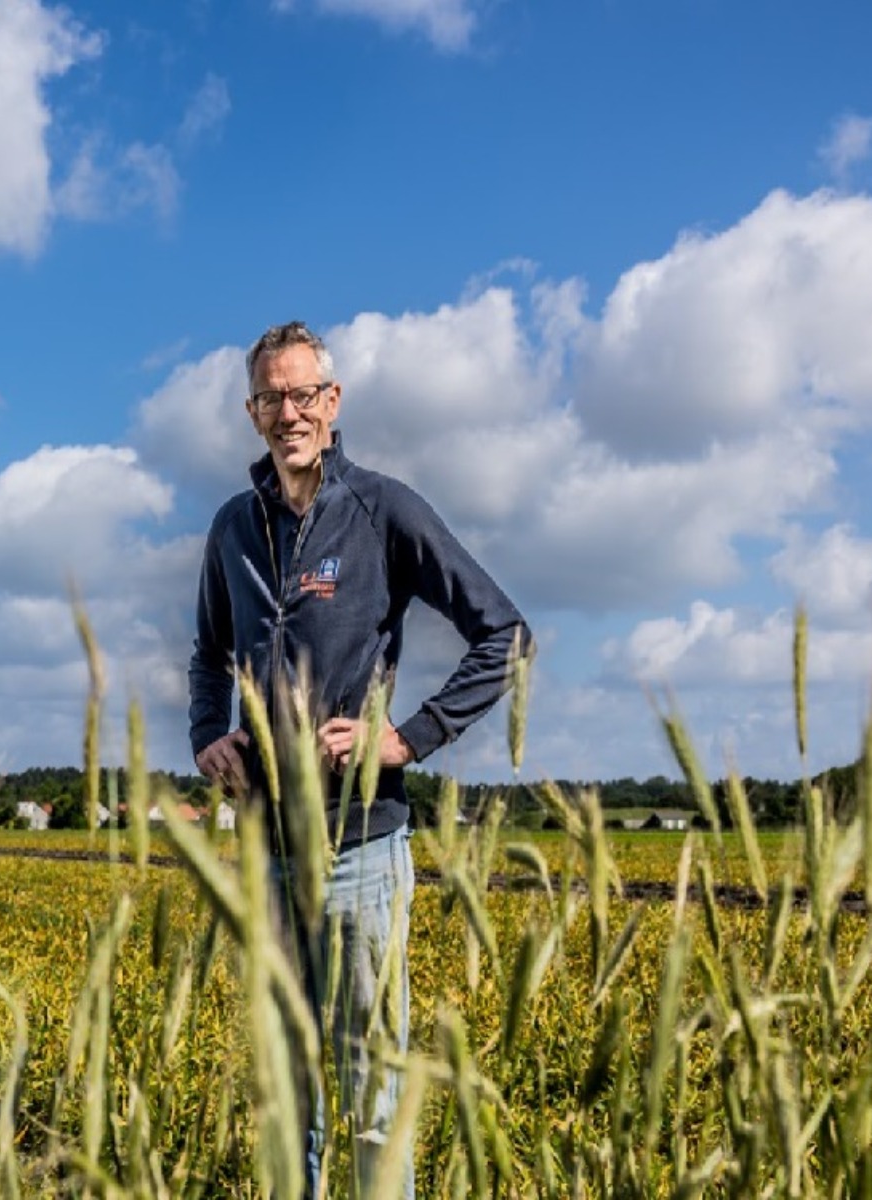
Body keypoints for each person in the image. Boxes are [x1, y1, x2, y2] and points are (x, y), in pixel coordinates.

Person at [188, 320, 532, 1197]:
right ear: (251, 411)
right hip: (267, 852)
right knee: (285, 1091)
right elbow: (207, 651)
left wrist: (408, 737)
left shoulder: (385, 509)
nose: (288, 412)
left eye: (304, 394)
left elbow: (505, 634)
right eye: (271, 397)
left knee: (374, 1090)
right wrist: (206, 733)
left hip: (361, 854)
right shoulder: (233, 527)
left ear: (332, 403)